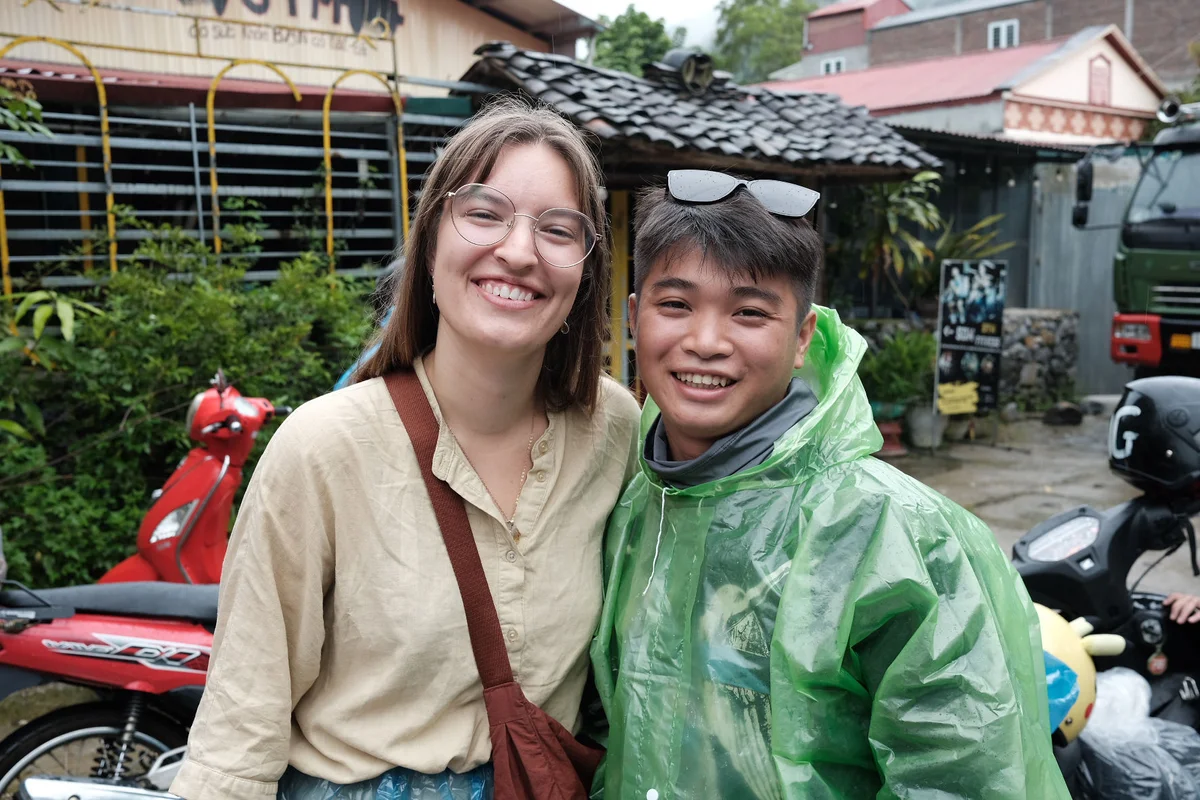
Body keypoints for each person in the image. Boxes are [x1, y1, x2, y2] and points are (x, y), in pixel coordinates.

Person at [170, 100, 642, 800]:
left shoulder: (615, 429)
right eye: (485, 213)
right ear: (430, 242)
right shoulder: (323, 447)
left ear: (585, 270)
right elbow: (241, 722)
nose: (518, 251)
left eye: (557, 229)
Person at [590, 170, 1070, 799]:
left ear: (803, 337)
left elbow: (962, 774)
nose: (704, 342)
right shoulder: (638, 504)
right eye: (675, 305)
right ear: (633, 317)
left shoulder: (884, 529)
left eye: (750, 313)